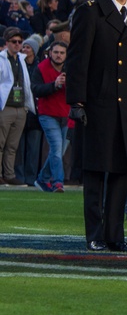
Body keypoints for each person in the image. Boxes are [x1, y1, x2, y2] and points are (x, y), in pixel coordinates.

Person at [64, 0, 127, 251]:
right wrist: (77, 101)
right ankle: (95, 234)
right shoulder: (91, 11)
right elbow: (77, 61)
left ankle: (115, 235)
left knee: (123, 172)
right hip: (98, 104)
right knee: (97, 172)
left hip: (126, 106)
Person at [30, 40, 69, 192]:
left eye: (62, 53)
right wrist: (54, 85)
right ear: (50, 53)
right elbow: (36, 89)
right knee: (56, 147)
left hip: (66, 115)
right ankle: (58, 182)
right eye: (56, 52)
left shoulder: (71, 68)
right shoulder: (41, 68)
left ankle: (42, 179)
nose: (59, 56)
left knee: (58, 151)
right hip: (48, 114)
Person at [0, 28, 36, 185]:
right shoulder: (1, 59)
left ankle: (8, 174)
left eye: (20, 42)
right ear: (7, 42)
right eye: (14, 42)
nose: (17, 45)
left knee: (13, 145)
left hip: (20, 106)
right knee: (0, 143)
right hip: (5, 106)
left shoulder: (21, 59)